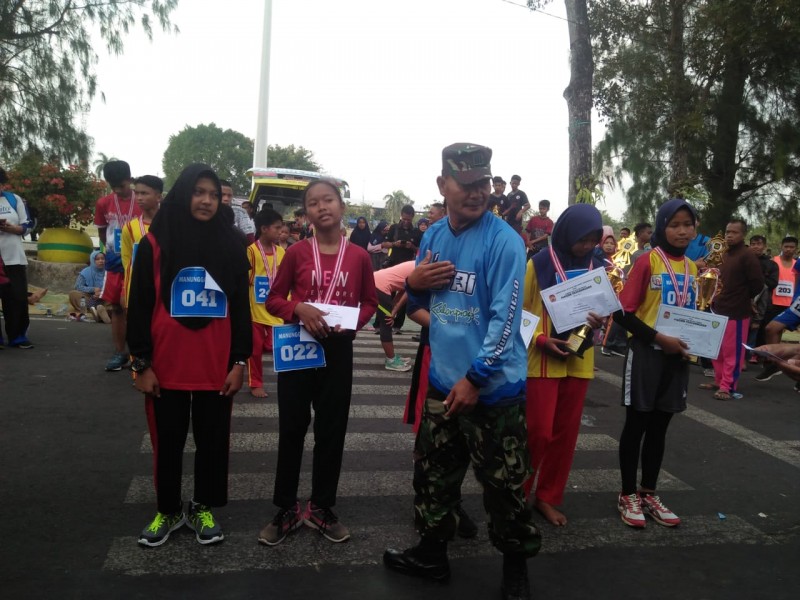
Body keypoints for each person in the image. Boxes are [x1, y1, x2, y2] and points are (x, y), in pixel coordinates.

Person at [383, 143, 540, 600]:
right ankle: (432, 554)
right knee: (434, 474)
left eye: (483, 183)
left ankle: (516, 570)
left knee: (504, 487)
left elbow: (506, 321)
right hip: (442, 382)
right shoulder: (434, 236)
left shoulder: (504, 241)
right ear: (442, 185)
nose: (477, 193)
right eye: (467, 184)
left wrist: (475, 379)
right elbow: (421, 302)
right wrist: (412, 283)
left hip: (493, 390)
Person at [127, 163, 252, 547]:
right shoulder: (154, 244)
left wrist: (239, 362)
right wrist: (141, 363)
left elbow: (240, 309)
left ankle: (201, 506)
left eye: (214, 194)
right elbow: (139, 306)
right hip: (166, 366)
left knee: (212, 443)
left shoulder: (232, 246)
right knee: (167, 443)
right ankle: (167, 509)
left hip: (215, 365)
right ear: (183, 194)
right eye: (199, 192)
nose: (207, 201)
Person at [258, 179, 377, 546]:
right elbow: (273, 299)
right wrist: (298, 308)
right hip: (298, 347)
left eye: (328, 200)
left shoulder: (359, 256)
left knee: (332, 430)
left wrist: (351, 323)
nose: (322, 207)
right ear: (306, 213)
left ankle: (321, 506)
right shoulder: (296, 253)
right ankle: (286, 507)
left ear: (342, 206)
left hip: (337, 350)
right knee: (292, 428)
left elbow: (370, 302)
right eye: (313, 202)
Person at [612, 198, 699, 529]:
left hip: (676, 358)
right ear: (662, 227)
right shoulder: (648, 260)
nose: (681, 231)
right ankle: (627, 494)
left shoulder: (693, 268)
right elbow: (622, 313)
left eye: (687, 224)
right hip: (647, 354)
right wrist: (658, 337)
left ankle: (648, 492)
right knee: (637, 424)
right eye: (674, 225)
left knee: (660, 427)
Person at [522, 204, 605, 526]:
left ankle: (547, 497)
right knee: (538, 433)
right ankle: (518, 495)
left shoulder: (597, 266)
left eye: (593, 240)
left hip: (579, 356)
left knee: (565, 435)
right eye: (582, 239)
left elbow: (603, 308)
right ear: (567, 232)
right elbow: (518, 313)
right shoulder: (539, 263)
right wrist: (541, 339)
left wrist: (601, 319)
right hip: (541, 357)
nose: (587, 246)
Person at [704, 219, 764, 400]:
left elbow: (757, 284)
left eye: (734, 232)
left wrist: (743, 298)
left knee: (733, 352)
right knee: (717, 351)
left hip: (736, 312)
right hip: (718, 309)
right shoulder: (723, 254)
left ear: (743, 234)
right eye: (727, 232)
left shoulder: (747, 256)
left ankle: (727, 386)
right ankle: (719, 380)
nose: (729, 235)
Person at [94, 160, 141, 370]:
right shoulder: (103, 203)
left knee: (139, 308)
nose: (118, 191)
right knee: (116, 308)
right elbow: (102, 232)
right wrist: (112, 250)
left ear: (129, 180)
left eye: (121, 186)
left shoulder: (141, 200)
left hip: (139, 259)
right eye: (113, 187)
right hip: (114, 260)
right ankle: (119, 352)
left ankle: (140, 353)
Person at [246, 208, 285, 398]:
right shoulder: (251, 252)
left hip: (277, 311)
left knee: (273, 346)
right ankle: (256, 383)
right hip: (255, 311)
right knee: (254, 350)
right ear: (264, 229)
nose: (280, 232)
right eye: (277, 228)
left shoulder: (282, 252)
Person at [0, 167, 34, 348]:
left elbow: (28, 224)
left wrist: (14, 229)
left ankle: (17, 336)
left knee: (17, 298)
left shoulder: (14, 199)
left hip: (14, 258)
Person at [756, 236, 798, 381]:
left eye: (792, 247)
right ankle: (773, 362)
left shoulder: (795, 262)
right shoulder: (774, 262)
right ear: (781, 247)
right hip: (782, 303)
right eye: (786, 246)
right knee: (771, 329)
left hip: (790, 303)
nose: (789, 249)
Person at [121, 175, 163, 309]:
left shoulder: (171, 226)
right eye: (137, 193)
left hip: (163, 288)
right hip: (138, 289)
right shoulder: (129, 228)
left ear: (158, 197)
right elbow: (127, 262)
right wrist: (126, 291)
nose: (139, 198)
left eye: (144, 193)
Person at [373, 261, 414, 372]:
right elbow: (409, 292)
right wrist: (394, 311)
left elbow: (404, 289)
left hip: (378, 281)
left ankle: (392, 356)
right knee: (387, 322)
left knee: (387, 320)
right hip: (380, 285)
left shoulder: (417, 264)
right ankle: (391, 360)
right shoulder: (421, 268)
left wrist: (393, 307)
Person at [746, 235, 779, 361]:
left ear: (764, 246)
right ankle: (743, 356)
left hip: (763, 303)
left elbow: (773, 283)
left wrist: (757, 278)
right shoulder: (745, 261)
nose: (756, 247)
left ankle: (755, 354)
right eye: (753, 244)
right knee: (744, 330)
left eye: (759, 244)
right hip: (744, 300)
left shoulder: (771, 264)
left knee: (758, 329)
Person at [68, 251, 110, 323]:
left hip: (105, 298)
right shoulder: (85, 272)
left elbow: (114, 287)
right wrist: (93, 289)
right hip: (90, 298)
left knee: (114, 301)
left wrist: (102, 293)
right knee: (73, 294)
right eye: (97, 259)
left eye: (103, 259)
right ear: (92, 260)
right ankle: (96, 311)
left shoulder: (109, 272)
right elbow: (78, 286)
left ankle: (98, 312)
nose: (101, 261)